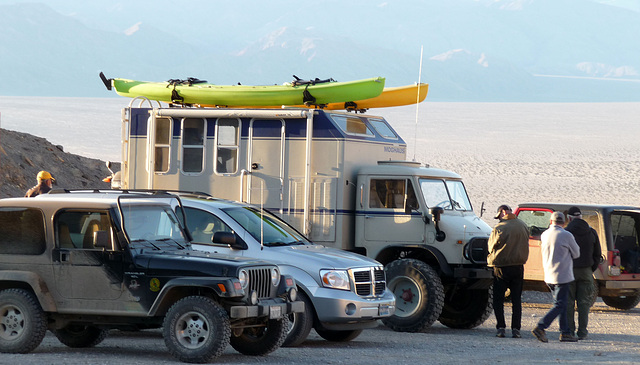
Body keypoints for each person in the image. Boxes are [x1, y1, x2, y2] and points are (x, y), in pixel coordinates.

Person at [532, 211, 580, 343]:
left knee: (560, 304)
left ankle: (565, 333)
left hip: (548, 275)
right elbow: (576, 254)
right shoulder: (566, 235)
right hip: (562, 275)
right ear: (564, 222)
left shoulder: (544, 234)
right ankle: (541, 326)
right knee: (560, 304)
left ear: (550, 221)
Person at [487, 204, 530, 338]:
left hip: (501, 267)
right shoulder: (523, 225)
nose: (499, 218)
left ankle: (501, 328)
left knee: (498, 299)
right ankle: (516, 329)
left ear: (503, 212)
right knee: (516, 300)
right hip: (518, 266)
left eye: (499, 215)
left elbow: (490, 247)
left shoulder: (499, 227)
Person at [565, 206, 601, 340]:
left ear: (569, 218)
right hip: (586, 271)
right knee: (584, 303)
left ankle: (569, 331)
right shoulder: (591, 232)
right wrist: (590, 268)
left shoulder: (566, 232)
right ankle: (582, 332)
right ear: (581, 217)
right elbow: (597, 254)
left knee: (568, 302)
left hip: (569, 270)